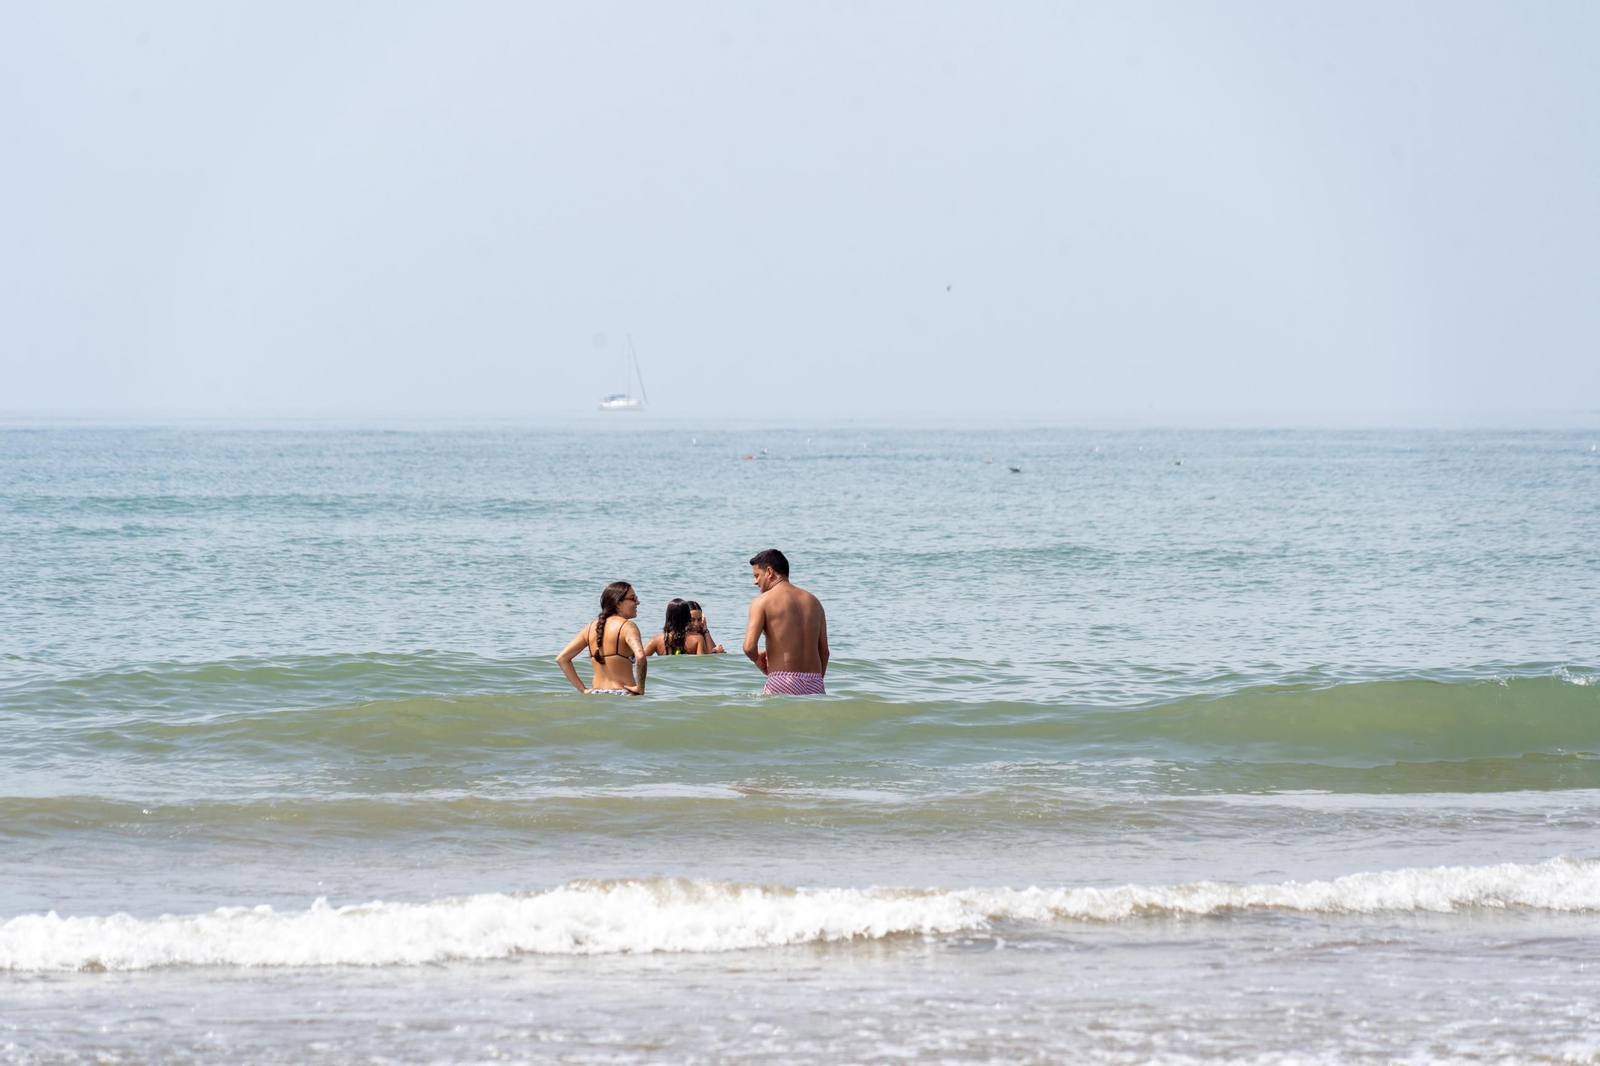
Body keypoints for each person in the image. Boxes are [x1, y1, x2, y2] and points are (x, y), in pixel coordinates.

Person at [742, 549, 829, 695]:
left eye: (757, 575)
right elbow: (824, 652)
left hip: (782, 680)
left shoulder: (762, 601)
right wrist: (817, 680)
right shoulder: (814, 602)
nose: (755, 581)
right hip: (815, 681)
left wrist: (759, 661)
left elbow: (749, 647)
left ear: (769, 572)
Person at [556, 581, 648, 694]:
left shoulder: (590, 628)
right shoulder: (627, 626)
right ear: (618, 603)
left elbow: (562, 659)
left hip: (596, 695)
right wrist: (640, 687)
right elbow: (640, 656)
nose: (637, 602)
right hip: (623, 695)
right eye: (633, 598)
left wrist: (583, 689)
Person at [643, 598, 717, 656]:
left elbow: (637, 659)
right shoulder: (697, 639)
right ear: (686, 618)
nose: (696, 624)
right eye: (691, 619)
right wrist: (715, 652)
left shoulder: (656, 640)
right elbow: (702, 664)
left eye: (700, 619)